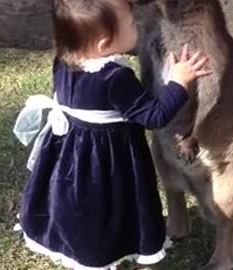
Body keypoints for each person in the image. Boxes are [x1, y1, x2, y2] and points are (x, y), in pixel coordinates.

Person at [12, 0, 212, 269]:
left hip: (67, 150)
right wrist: (179, 82)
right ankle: (100, 252)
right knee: (105, 206)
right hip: (105, 159)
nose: (136, 25)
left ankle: (68, 240)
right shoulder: (115, 77)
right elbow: (152, 116)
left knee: (72, 200)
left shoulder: (62, 61)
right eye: (131, 23)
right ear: (105, 43)